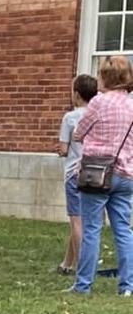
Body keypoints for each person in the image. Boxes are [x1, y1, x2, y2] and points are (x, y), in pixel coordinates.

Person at [69, 55, 133, 297]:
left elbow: (78, 133)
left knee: (92, 228)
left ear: (106, 77)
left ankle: (83, 285)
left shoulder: (98, 102)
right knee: (123, 230)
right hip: (126, 173)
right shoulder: (131, 104)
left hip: (96, 172)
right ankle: (127, 286)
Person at [56, 74, 98, 275]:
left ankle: (84, 268)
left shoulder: (70, 117)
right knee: (83, 219)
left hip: (74, 172)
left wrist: (62, 150)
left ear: (77, 94)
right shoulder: (98, 114)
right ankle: (67, 263)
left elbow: (64, 148)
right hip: (96, 172)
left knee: (76, 221)